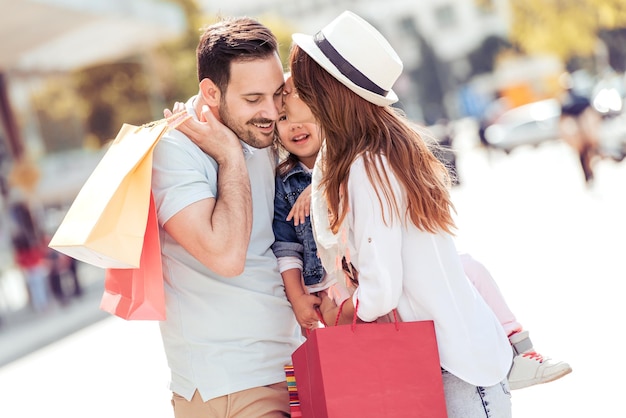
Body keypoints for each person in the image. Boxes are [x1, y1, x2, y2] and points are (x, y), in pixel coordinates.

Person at [274, 76, 571, 391]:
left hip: (372, 279)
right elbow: (286, 246)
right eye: (282, 119)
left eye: (300, 113)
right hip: (334, 286)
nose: (293, 126)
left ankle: (517, 344)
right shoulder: (285, 180)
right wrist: (298, 296)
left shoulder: (349, 164)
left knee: (470, 268)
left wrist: (321, 187)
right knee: (363, 355)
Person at [284, 11, 513, 417]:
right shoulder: (384, 153)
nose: (299, 97)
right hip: (456, 360)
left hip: (453, 368)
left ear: (329, 92)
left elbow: (382, 287)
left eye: (304, 86)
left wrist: (345, 313)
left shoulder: (367, 166)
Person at [154, 17, 302, 417]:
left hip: (290, 364)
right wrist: (229, 156)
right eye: (253, 99)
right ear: (210, 92)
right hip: (229, 382)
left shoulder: (264, 133)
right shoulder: (175, 150)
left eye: (276, 94)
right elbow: (226, 256)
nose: (271, 112)